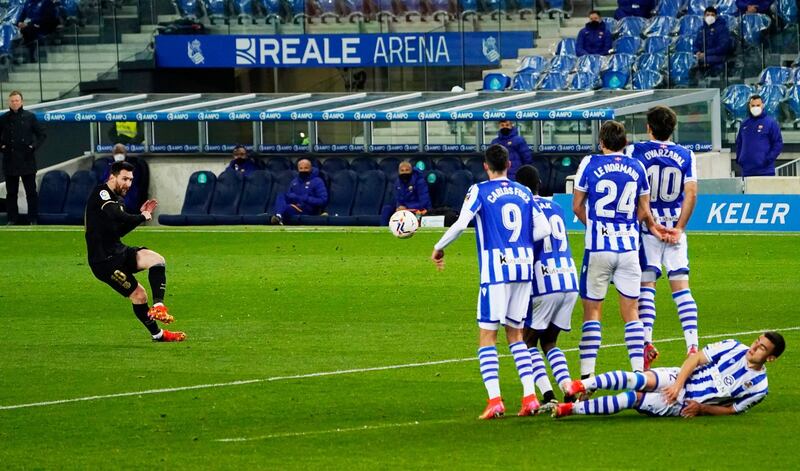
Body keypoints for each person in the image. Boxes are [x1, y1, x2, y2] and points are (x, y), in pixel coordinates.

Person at [431, 144, 552, 419]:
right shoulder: (523, 191)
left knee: (487, 335)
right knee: (516, 335)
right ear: (509, 164)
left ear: (486, 166)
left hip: (496, 272)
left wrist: (439, 247)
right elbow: (543, 229)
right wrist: (521, 246)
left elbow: (462, 223)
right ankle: (530, 397)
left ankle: (495, 400)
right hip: (523, 269)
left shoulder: (479, 191)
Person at [572, 121, 666, 379]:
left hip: (599, 247)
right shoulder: (637, 167)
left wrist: (595, 227)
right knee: (632, 312)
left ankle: (587, 379)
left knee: (592, 312)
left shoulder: (589, 163)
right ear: (625, 143)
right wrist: (627, 226)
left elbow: (577, 205)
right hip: (629, 249)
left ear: (601, 142)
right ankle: (638, 375)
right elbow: (644, 209)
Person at [547, 332, 785, 418]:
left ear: (770, 358)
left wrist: (702, 409)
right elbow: (695, 358)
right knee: (638, 379)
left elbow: (733, 409)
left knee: (632, 398)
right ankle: (580, 385)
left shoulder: (758, 388)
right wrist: (677, 384)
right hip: (680, 378)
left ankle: (570, 410)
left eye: (762, 348)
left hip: (683, 403)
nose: (754, 348)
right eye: (757, 342)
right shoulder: (733, 346)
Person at [626, 106, 699, 368]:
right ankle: (692, 344)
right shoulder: (686, 154)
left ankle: (646, 342)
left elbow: (635, 190)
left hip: (649, 227)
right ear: (673, 128)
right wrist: (679, 227)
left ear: (649, 127)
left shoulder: (637, 151)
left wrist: (652, 222)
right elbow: (690, 193)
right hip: (674, 228)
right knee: (681, 287)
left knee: (647, 287)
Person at [85, 161, 186, 342]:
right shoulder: (102, 193)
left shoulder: (119, 200)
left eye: (131, 180)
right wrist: (142, 216)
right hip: (104, 262)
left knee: (157, 260)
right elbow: (116, 215)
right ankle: (158, 334)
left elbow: (118, 231)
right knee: (139, 295)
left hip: (118, 251)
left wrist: (140, 217)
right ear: (112, 177)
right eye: (124, 179)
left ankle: (159, 306)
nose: (128, 184)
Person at [516, 165, 579, 404]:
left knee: (526, 340)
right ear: (539, 183)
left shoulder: (524, 208)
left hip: (544, 281)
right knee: (550, 341)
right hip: (568, 279)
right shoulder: (556, 207)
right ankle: (567, 387)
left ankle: (548, 394)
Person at [1, 90, 46, 225]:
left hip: (27, 160)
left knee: (31, 192)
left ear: (22, 102)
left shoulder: (30, 117)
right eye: (12, 101)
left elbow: (42, 135)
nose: (14, 103)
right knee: (11, 193)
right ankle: (12, 219)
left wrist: (33, 147)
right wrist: (1, 147)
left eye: (17, 100)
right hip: (10, 160)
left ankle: (33, 219)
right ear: (9, 102)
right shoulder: (3, 118)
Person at [735, 95, 783, 177]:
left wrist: (768, 159)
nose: (755, 107)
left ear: (762, 105)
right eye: (753, 105)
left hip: (765, 172)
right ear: (749, 106)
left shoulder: (771, 123)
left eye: (758, 105)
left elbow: (778, 144)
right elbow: (739, 143)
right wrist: (740, 159)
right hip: (747, 171)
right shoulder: (744, 123)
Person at [270, 158, 328, 225]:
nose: (303, 170)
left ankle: (278, 217)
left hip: (308, 209)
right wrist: (291, 196)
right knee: (281, 196)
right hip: (295, 206)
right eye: (301, 168)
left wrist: (305, 198)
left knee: (286, 208)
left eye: (306, 168)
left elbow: (323, 200)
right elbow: (289, 195)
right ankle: (278, 216)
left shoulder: (317, 181)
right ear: (298, 169)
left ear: (310, 168)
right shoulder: (294, 181)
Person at [97, 143, 150, 213]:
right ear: (113, 154)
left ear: (125, 153)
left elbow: (132, 183)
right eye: (116, 153)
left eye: (121, 153)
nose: (119, 155)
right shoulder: (110, 167)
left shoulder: (133, 166)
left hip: (129, 200)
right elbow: (104, 181)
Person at [380, 161, 432, 226]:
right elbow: (398, 199)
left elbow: (424, 202)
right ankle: (384, 231)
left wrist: (407, 207)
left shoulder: (420, 181)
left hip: (419, 210)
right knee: (386, 209)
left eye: (407, 170)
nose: (404, 172)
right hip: (404, 210)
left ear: (411, 171)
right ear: (399, 172)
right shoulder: (397, 183)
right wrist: (399, 207)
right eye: (402, 170)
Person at [693, 7, 732, 76]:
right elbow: (696, 44)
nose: (710, 17)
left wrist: (706, 53)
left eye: (712, 15)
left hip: (719, 56)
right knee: (691, 62)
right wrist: (697, 52)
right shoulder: (701, 29)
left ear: (716, 17)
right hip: (704, 56)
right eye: (707, 15)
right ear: (704, 16)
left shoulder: (722, 29)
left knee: (702, 62)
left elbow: (723, 47)